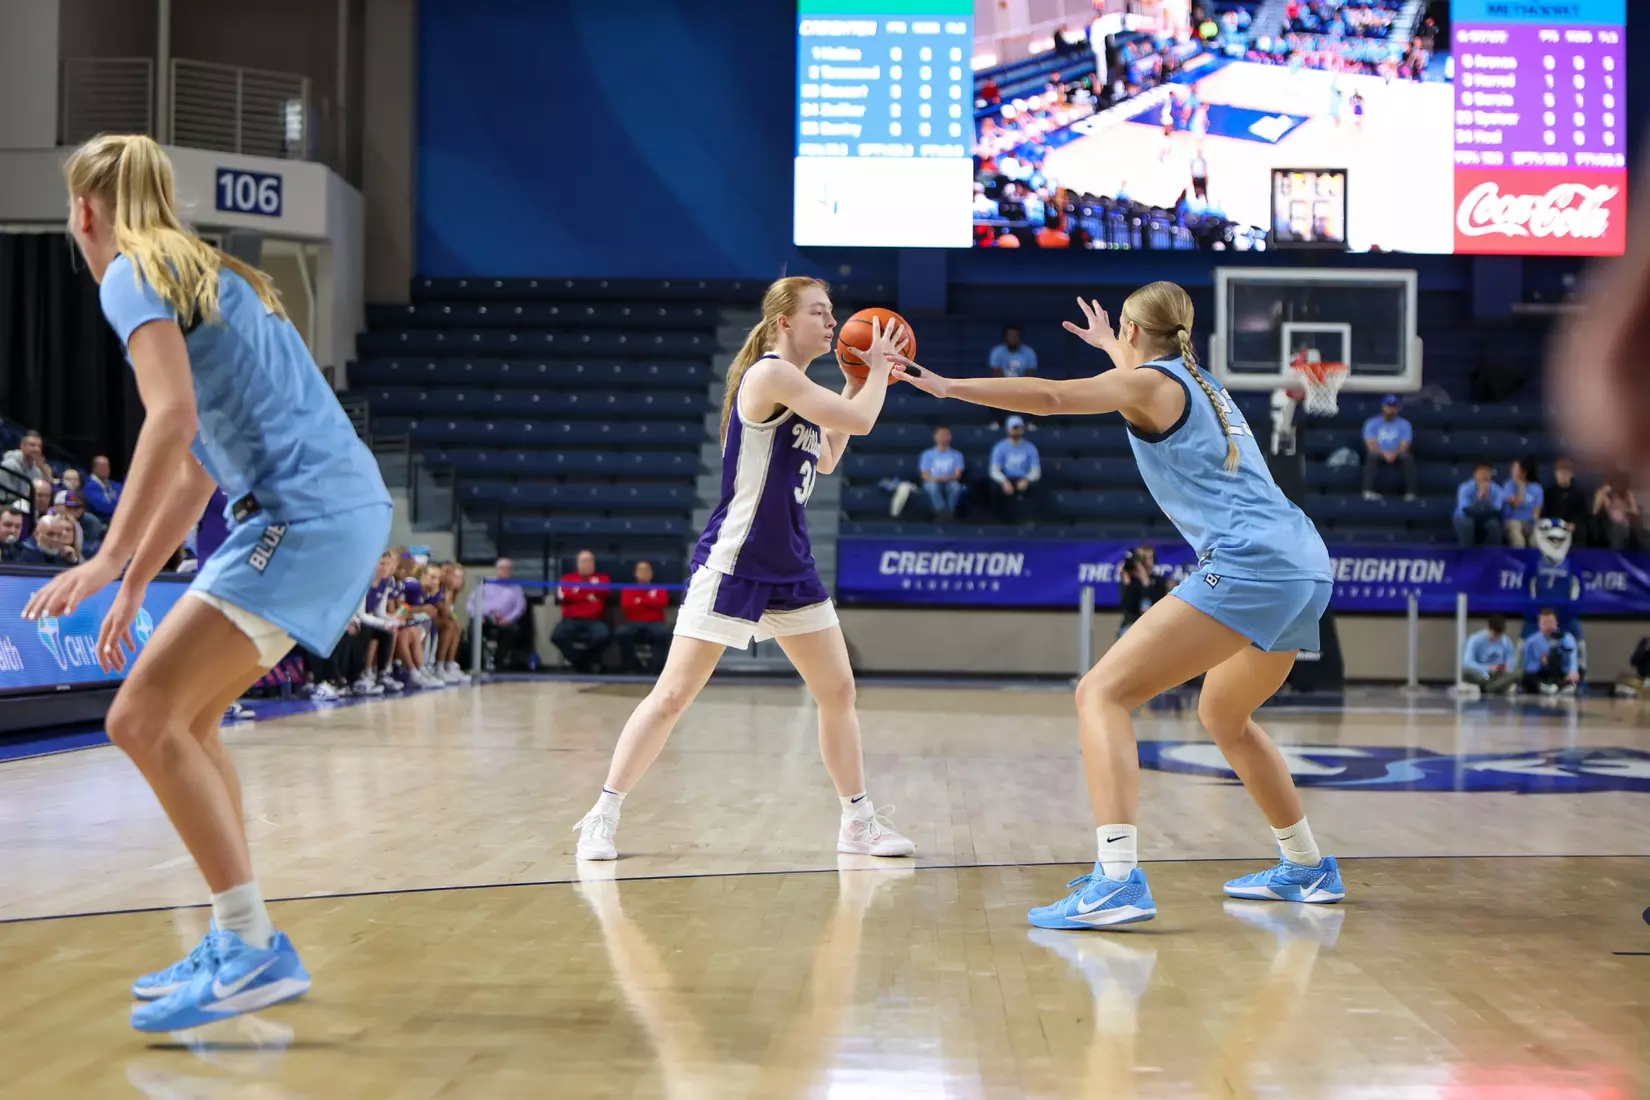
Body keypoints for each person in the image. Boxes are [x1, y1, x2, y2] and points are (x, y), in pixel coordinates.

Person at [23, 133, 391, 1032]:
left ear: (84, 212)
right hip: (324, 510)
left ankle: (250, 945)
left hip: (300, 516)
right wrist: (133, 579)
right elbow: (194, 463)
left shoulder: (129, 275)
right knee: (183, 720)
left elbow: (169, 415)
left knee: (137, 718)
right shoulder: (210, 270)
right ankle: (241, 937)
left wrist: (107, 555)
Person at [898, 282, 1343, 929]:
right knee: (1225, 714)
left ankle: (1116, 880)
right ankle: (1306, 865)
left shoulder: (1151, 386)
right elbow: (1134, 379)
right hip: (1305, 563)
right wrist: (1115, 345)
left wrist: (946, 387)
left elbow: (1053, 397)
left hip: (1253, 565)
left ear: (1137, 333)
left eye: (1122, 337)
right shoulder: (1198, 382)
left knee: (1100, 693)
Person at [572, 276, 915, 863]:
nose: (832, 322)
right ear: (786, 322)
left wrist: (859, 379)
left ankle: (857, 821)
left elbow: (830, 452)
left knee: (838, 691)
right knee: (673, 695)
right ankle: (602, 814)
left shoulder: (801, 386)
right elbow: (858, 422)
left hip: (791, 566)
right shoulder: (771, 374)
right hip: (735, 561)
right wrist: (879, 370)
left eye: (833, 313)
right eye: (820, 312)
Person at [553, 549, 612, 673]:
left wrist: (578, 593)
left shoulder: (603, 578)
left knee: (603, 635)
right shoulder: (567, 579)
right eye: (584, 561)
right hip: (571, 619)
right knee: (557, 636)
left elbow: (605, 591)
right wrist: (588, 595)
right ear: (578, 563)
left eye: (590, 561)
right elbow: (564, 595)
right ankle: (582, 662)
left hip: (594, 620)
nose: (588, 564)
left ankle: (583, 662)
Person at [468, 557, 530, 672]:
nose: (506, 571)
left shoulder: (516, 588)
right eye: (503, 568)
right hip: (484, 619)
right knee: (473, 628)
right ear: (497, 569)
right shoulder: (485, 584)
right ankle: (478, 664)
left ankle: (497, 663)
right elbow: (471, 603)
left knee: (513, 631)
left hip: (504, 620)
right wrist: (477, 616)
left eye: (508, 568)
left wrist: (508, 619)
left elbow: (520, 607)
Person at [616, 561, 672, 674]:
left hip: (655, 623)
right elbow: (627, 606)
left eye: (646, 570)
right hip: (633, 622)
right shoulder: (628, 589)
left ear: (651, 573)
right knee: (621, 633)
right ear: (635, 573)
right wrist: (650, 601)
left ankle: (655, 666)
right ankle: (631, 665)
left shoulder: (659, 588)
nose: (643, 573)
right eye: (640, 570)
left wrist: (640, 600)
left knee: (664, 634)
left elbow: (662, 603)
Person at [1360, 395, 1416, 501]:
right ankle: (1368, 491)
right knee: (1372, 456)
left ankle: (1411, 493)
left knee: (1407, 457)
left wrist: (1395, 453)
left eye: (1393, 407)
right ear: (1383, 407)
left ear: (1398, 408)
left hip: (1397, 453)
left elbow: (1405, 444)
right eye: (1388, 406)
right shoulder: (1372, 423)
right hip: (1380, 453)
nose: (1390, 410)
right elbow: (1371, 444)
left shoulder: (1405, 424)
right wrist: (1384, 453)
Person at [989, 415, 1042, 524]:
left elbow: (1036, 470)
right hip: (1006, 478)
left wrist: (1027, 479)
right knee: (993, 489)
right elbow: (994, 470)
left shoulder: (1030, 448)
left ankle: (1030, 521)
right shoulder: (1000, 447)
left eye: (1019, 428)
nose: (1017, 431)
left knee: (1036, 489)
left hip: (1023, 478)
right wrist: (1003, 481)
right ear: (1008, 429)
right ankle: (1000, 521)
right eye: (1014, 428)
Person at [1522, 608, 1580, 696]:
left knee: (1577, 672)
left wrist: (1573, 671)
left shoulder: (1566, 638)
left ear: (1556, 623)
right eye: (1544, 622)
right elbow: (1528, 666)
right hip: (1542, 674)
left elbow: (1572, 657)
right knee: (1527, 677)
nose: (1548, 625)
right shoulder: (1531, 642)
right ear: (1539, 624)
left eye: (1550, 622)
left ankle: (1565, 686)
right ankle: (1545, 687)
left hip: (1561, 672)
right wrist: (1541, 663)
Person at [1459, 614, 1517, 697]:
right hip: (1481, 673)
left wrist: (1506, 668)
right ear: (1487, 627)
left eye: (1498, 636)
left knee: (1516, 674)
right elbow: (1467, 663)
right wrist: (1488, 668)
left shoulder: (1506, 642)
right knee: (1467, 672)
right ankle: (1493, 687)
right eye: (1494, 635)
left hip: (1497, 674)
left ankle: (1487, 688)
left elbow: (1511, 664)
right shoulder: (1475, 640)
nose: (1496, 638)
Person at [1117, 545, 1168, 635]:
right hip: (1132, 623)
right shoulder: (1131, 581)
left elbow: (1155, 604)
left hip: (1152, 624)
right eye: (1143, 558)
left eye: (1149, 558)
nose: (1146, 562)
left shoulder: (1159, 581)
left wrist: (1146, 582)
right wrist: (1127, 583)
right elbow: (1127, 607)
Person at [918, 426, 966, 520]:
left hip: (949, 481)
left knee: (956, 487)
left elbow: (957, 475)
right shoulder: (927, 454)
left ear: (950, 437)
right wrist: (937, 478)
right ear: (935, 437)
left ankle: (950, 512)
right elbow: (925, 475)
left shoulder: (957, 455)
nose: (943, 437)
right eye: (941, 435)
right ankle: (942, 511)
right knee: (933, 486)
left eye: (946, 434)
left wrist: (946, 478)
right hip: (932, 481)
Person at [1453, 463, 1505, 546]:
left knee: (1494, 525)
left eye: (1487, 472)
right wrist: (1478, 499)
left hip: (1487, 518)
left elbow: (1497, 511)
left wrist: (1488, 499)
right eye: (1481, 472)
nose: (1484, 475)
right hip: (1465, 518)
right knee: (1467, 525)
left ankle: (1492, 556)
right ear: (1475, 474)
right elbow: (1466, 511)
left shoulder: (1497, 490)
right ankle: (1467, 556)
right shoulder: (1465, 488)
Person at [1544, 458, 1589, 544]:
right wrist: (1558, 524)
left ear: (1572, 475)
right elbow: (1546, 513)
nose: (1562, 475)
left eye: (1565, 473)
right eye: (1560, 472)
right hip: (1554, 525)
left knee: (1581, 530)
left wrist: (1574, 524)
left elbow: (1583, 514)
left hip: (1572, 526)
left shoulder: (1578, 494)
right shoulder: (1549, 493)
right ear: (1555, 474)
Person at [1501, 459, 1543, 548]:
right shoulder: (1508, 485)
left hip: (1529, 521)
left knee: (1536, 537)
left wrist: (1532, 523)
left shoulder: (1537, 488)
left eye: (1515, 469)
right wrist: (1521, 487)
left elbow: (1537, 511)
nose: (1512, 471)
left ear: (1524, 472)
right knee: (1518, 538)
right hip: (1513, 521)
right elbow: (1517, 504)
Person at [1592, 472, 1639, 550]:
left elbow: (1636, 511)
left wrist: (1623, 508)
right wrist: (1603, 493)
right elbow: (1594, 511)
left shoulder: (1627, 493)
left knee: (1621, 529)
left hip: (1625, 524)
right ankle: (1616, 554)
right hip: (1609, 524)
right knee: (1616, 530)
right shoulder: (1603, 493)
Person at [85, 454, 123, 521]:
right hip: (102, 522)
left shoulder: (116, 485)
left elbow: (125, 501)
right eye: (102, 466)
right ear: (94, 468)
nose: (106, 469)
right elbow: (103, 508)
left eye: (107, 466)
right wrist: (119, 505)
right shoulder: (89, 486)